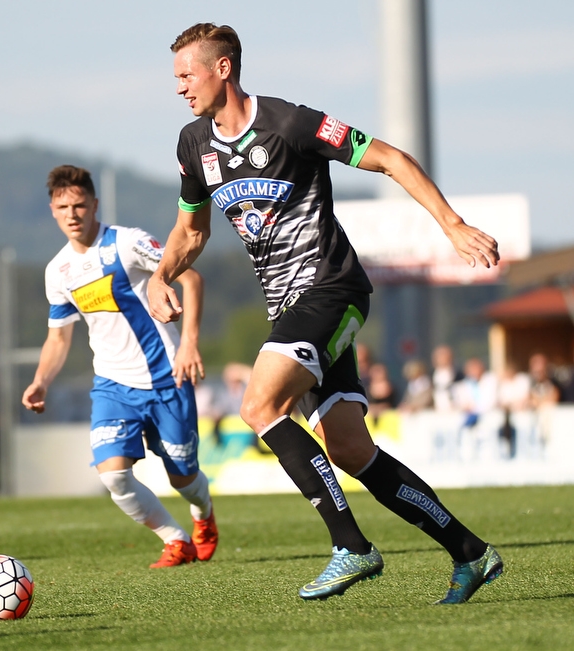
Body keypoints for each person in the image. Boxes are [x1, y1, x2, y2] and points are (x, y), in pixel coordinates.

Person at [147, 23, 502, 602]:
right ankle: (471, 553)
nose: (180, 88)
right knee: (350, 449)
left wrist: (452, 225)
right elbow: (191, 231)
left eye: (187, 75)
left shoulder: (290, 122)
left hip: (332, 289)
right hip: (286, 306)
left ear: (223, 69)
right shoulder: (194, 145)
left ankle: (352, 549)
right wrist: (163, 276)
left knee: (259, 404)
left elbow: (390, 157)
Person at [22, 165, 217, 568]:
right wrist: (40, 381)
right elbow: (58, 338)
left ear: (94, 205)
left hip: (167, 377)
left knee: (183, 478)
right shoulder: (57, 273)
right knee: (113, 476)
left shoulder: (128, 243)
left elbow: (191, 279)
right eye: (63, 207)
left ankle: (204, 513)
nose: (72, 214)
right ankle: (175, 540)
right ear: (52, 211)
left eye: (79, 205)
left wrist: (189, 345)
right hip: (113, 384)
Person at [431, 345, 462, 412]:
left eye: (444, 356)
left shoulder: (458, 375)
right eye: (439, 357)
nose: (442, 359)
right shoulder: (434, 376)